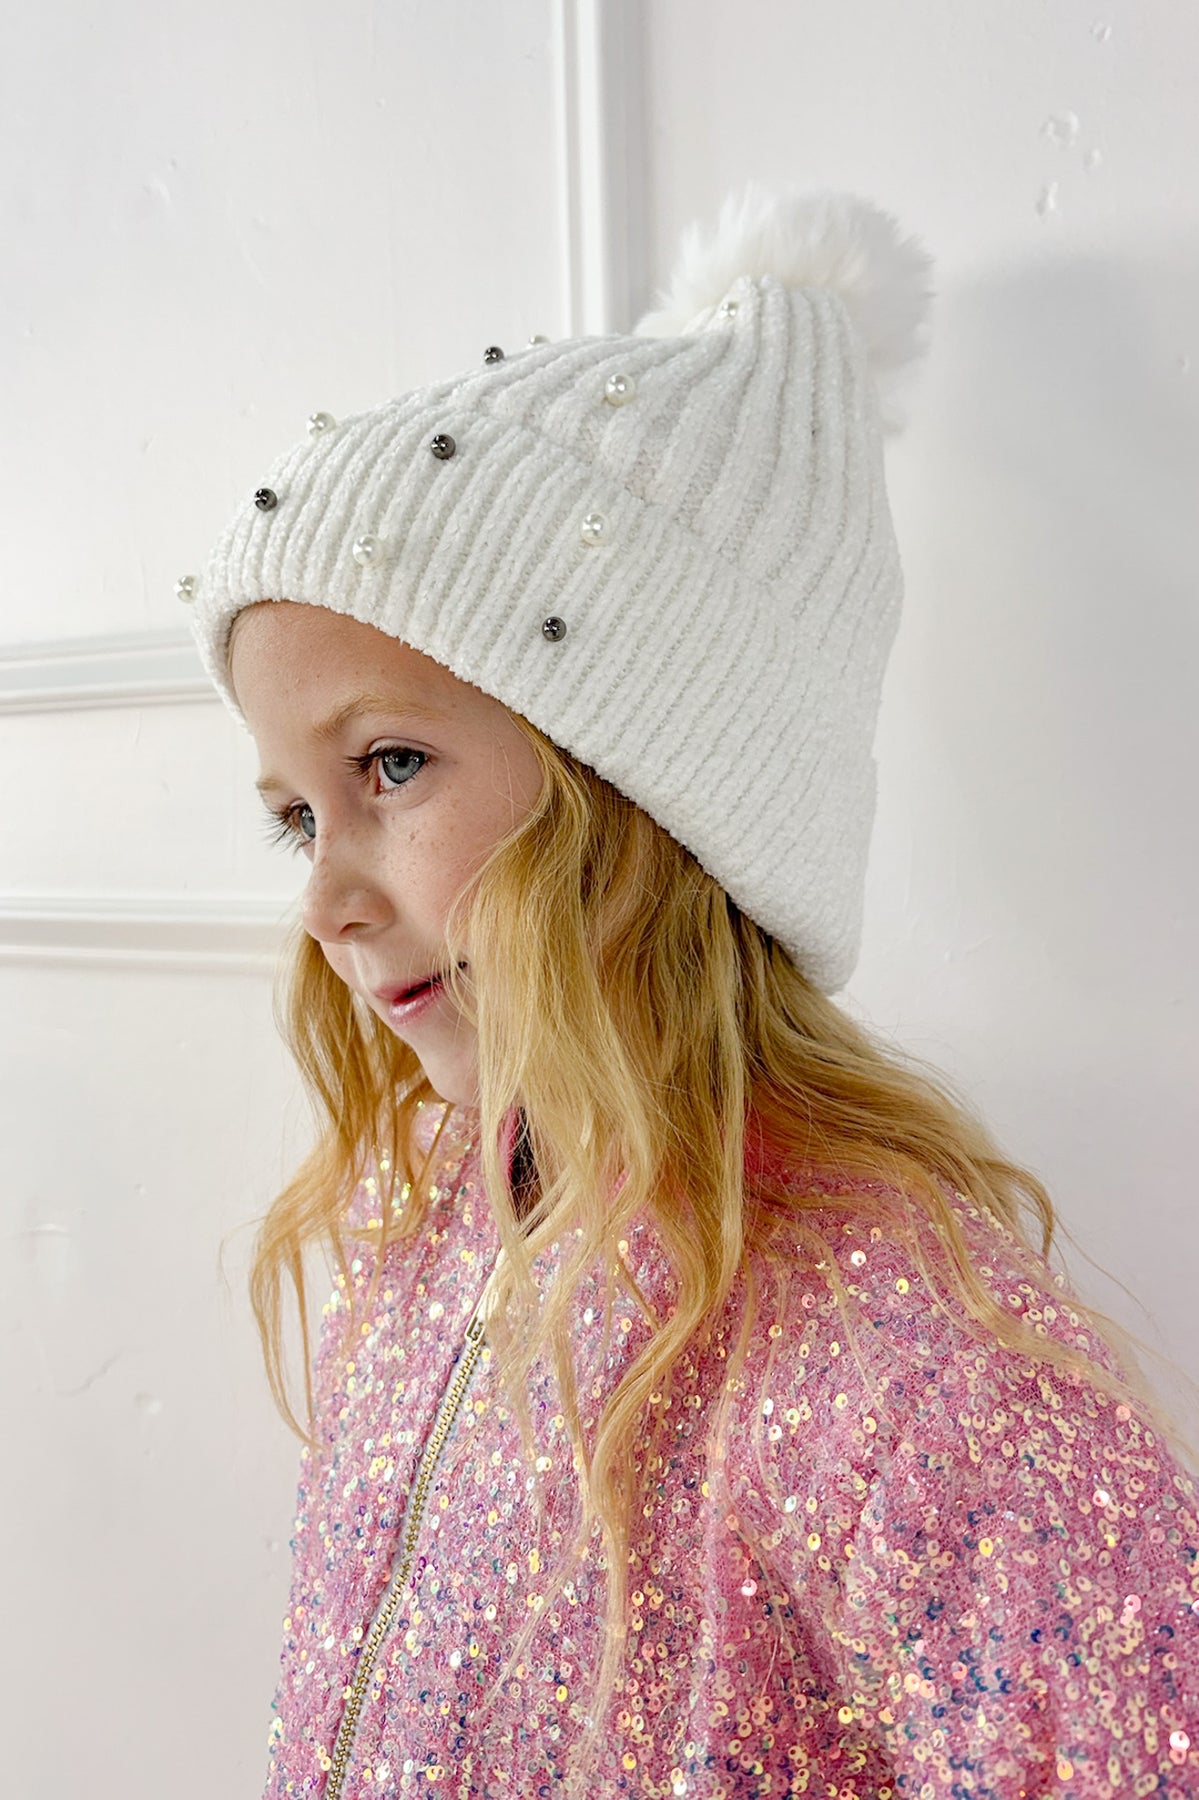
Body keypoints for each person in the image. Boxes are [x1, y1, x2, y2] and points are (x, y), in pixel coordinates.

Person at [181, 183, 1199, 1799]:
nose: (325, 899)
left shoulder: (891, 1352)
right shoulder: (431, 1208)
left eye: (391, 766)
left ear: (648, 797)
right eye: (296, 814)